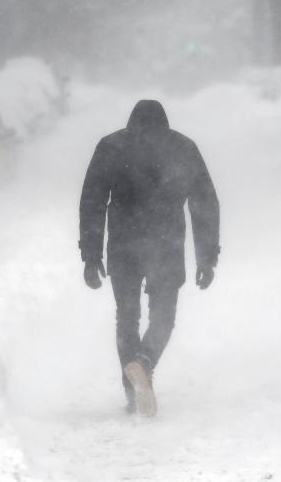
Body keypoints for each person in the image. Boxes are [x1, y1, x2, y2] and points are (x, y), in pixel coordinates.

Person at [79, 99, 220, 417]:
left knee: (127, 318)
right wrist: (206, 257)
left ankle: (133, 392)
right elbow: (204, 203)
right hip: (166, 243)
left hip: (123, 244)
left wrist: (91, 255)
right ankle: (144, 362)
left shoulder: (112, 147)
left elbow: (93, 202)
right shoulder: (183, 148)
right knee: (163, 317)